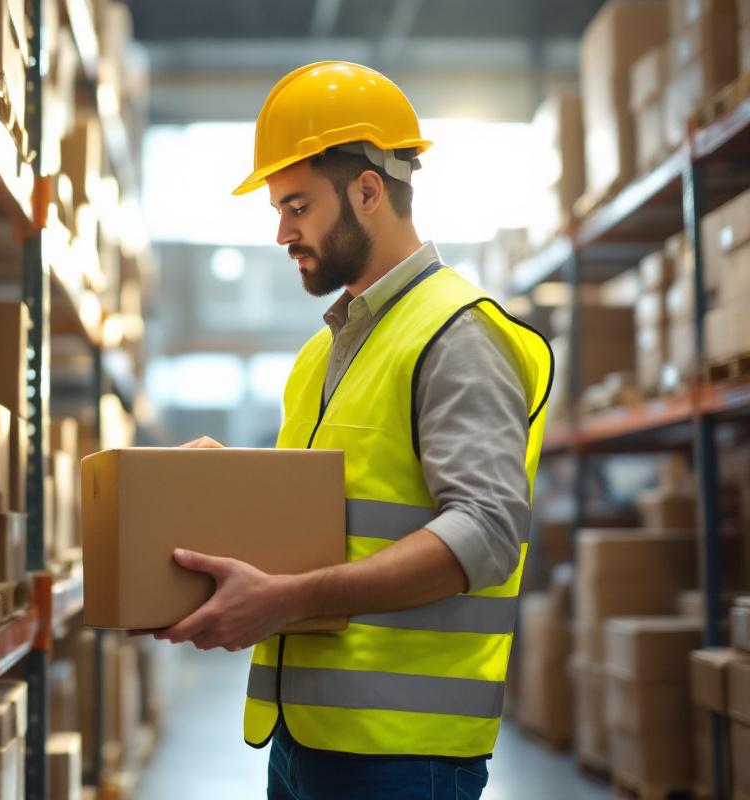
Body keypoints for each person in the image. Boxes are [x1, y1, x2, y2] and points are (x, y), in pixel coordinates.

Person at [153, 62, 554, 800]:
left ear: (368, 192)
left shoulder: (457, 336)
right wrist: (225, 486)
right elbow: (329, 515)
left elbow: (488, 531)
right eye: (279, 209)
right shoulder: (321, 353)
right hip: (306, 740)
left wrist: (288, 599)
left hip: (406, 759)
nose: (281, 231)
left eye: (298, 205)